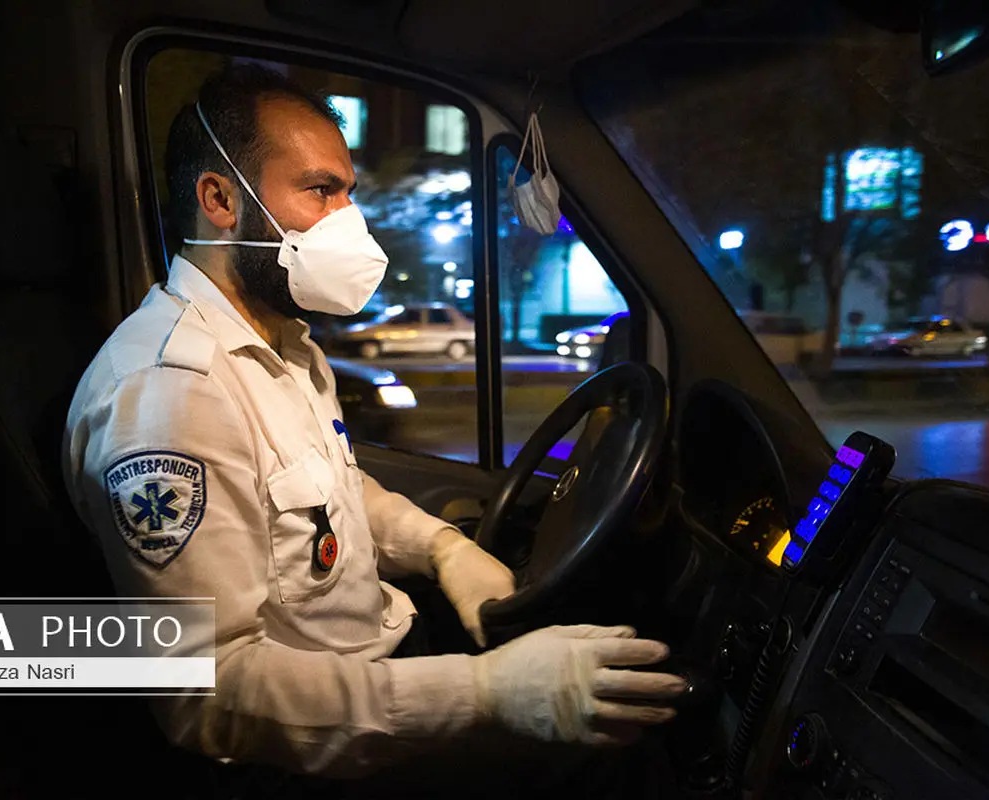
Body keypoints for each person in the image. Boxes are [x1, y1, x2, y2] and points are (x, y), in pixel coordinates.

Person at [63, 63, 685, 790]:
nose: (348, 221)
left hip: (387, 652)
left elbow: (334, 486)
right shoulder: (171, 395)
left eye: (347, 193)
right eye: (319, 190)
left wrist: (444, 549)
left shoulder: (282, 344)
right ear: (220, 199)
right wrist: (485, 695)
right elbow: (211, 692)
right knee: (623, 758)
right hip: (325, 735)